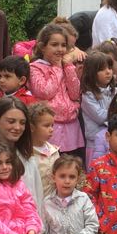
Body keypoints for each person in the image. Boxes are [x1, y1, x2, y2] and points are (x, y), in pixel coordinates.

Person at [28, 23, 84, 155]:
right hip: (51, 127)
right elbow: (45, 91)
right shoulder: (35, 68)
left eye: (63, 45)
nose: (60, 49)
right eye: (54, 45)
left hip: (71, 126)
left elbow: (75, 94)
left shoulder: (66, 66)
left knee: (71, 165)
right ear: (42, 47)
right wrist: (57, 68)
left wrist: (69, 67)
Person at [81, 50, 117, 163]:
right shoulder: (88, 95)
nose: (108, 72)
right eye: (102, 69)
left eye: (110, 68)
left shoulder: (116, 92)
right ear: (92, 73)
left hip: (113, 142)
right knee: (95, 174)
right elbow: (100, 116)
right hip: (95, 143)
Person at [28, 103, 60, 196]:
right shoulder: (26, 153)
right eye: (46, 126)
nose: (51, 129)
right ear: (32, 127)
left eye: (52, 125)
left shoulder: (54, 151)